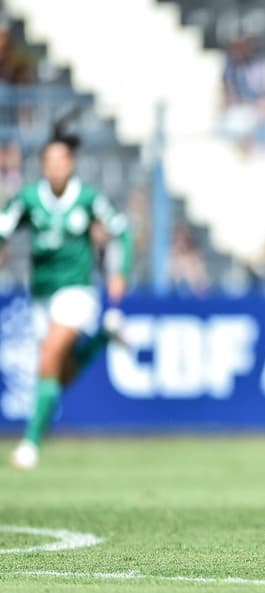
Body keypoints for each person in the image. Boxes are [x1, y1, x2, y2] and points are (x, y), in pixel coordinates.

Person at [1, 126, 133, 470]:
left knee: (49, 355)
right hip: (41, 294)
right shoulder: (28, 199)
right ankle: (103, 337)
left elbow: (123, 233)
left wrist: (119, 276)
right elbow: (3, 231)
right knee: (62, 374)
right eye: (49, 160)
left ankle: (30, 443)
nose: (55, 167)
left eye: (61, 160)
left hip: (77, 291)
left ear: (71, 164)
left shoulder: (88, 199)